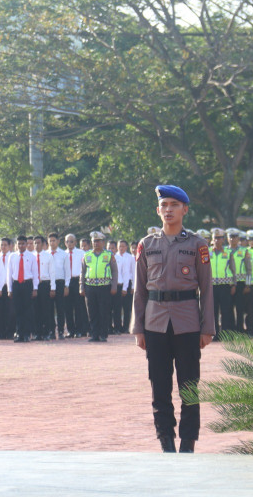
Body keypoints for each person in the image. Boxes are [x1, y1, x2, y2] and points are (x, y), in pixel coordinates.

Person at [131, 185, 214, 453]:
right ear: (158, 210)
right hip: (155, 323)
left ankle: (188, 443)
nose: (168, 210)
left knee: (189, 386)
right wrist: (138, 328)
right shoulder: (146, 244)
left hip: (188, 322)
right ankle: (165, 440)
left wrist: (207, 327)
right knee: (160, 386)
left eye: (174, 205)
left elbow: (207, 288)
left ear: (185, 210)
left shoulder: (198, 245)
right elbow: (139, 289)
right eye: (164, 205)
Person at [81, 231, 118, 342]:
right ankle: (94, 334)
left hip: (104, 286)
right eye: (94, 241)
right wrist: (81, 286)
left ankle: (103, 334)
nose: (96, 243)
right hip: (90, 286)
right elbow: (82, 272)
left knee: (104, 311)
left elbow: (114, 271)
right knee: (92, 312)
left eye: (98, 241)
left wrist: (114, 286)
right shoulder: (87, 255)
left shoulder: (108, 255)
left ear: (103, 242)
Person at [7, 235, 38, 342]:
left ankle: (26, 334)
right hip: (16, 284)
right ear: (16, 244)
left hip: (27, 284)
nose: (21, 246)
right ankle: (19, 333)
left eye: (23, 243)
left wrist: (35, 288)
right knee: (17, 310)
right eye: (19, 243)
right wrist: (9, 289)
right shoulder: (12, 256)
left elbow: (35, 273)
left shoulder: (31, 256)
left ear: (26, 244)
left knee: (27, 310)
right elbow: (9, 273)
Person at [210, 228, 235, 337]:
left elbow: (233, 270)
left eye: (219, 238)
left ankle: (225, 334)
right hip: (212, 286)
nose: (217, 240)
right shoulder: (206, 252)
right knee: (213, 311)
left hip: (225, 286)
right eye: (215, 238)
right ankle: (215, 333)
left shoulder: (228, 253)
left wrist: (234, 284)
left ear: (223, 240)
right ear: (212, 239)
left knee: (225, 310)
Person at [65, 233, 87, 337]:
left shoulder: (81, 253)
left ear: (75, 242)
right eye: (67, 241)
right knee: (68, 307)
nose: (69, 243)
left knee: (79, 307)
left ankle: (80, 330)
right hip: (67, 281)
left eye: (71, 241)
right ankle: (70, 330)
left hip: (77, 280)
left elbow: (85, 268)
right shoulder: (63, 254)